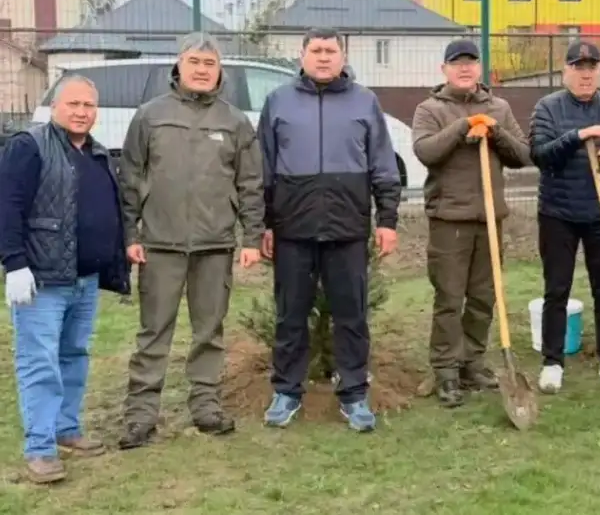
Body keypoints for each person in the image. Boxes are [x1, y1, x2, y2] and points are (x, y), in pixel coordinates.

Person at [117, 32, 265, 449]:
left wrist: (251, 236)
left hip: (215, 246)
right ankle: (140, 417)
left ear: (220, 70)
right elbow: (130, 179)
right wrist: (131, 234)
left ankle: (206, 407)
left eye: (210, 63)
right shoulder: (149, 116)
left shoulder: (235, 121)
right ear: (178, 65)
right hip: (159, 245)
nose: (202, 70)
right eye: (195, 61)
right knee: (153, 333)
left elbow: (251, 183)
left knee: (209, 332)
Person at [258, 28, 401, 433]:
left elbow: (383, 166)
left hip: (348, 228)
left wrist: (387, 221)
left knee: (351, 315)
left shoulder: (364, 101)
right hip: (292, 229)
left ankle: (354, 393)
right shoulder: (278, 102)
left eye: (330, 51)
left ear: (343, 56)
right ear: (301, 55)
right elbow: (263, 170)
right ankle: (286, 391)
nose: (323, 57)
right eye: (316, 50)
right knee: (290, 315)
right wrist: (265, 224)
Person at [0, 76, 130, 484]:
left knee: (74, 356)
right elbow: (8, 204)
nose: (81, 112)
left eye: (89, 105)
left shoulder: (96, 152)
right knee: (39, 362)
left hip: (84, 279)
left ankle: (66, 429)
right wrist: (14, 263)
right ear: (55, 107)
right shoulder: (30, 145)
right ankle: (40, 448)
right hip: (42, 279)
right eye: (73, 104)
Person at [411, 39, 530, 407]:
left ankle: (471, 363)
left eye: (471, 63)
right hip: (450, 220)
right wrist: (463, 126)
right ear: (444, 69)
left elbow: (522, 155)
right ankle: (446, 371)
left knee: (482, 298)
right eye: (457, 63)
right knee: (449, 298)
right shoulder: (430, 109)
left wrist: (494, 131)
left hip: (491, 220)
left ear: (480, 68)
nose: (464, 69)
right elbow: (426, 151)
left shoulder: (499, 107)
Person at [530, 41, 600, 394]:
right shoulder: (547, 108)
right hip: (558, 214)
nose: (585, 74)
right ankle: (552, 362)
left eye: (591, 67)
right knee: (557, 289)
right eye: (578, 67)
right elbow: (540, 154)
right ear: (566, 71)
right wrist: (579, 135)